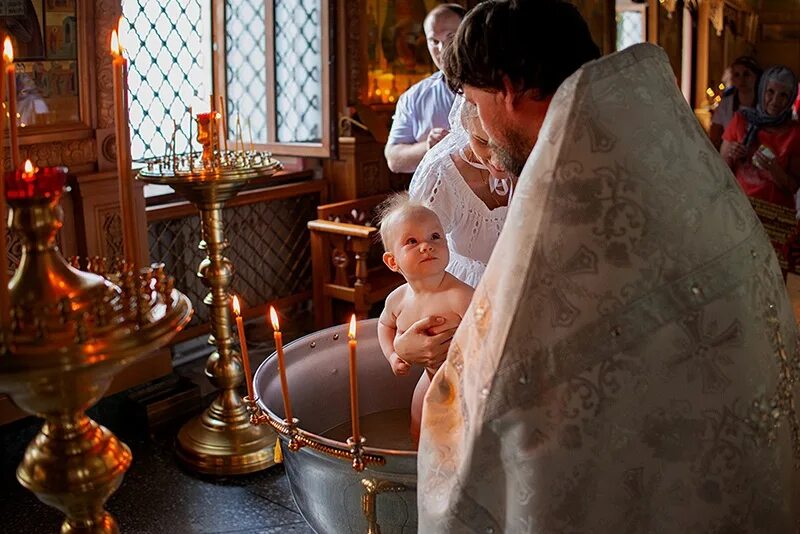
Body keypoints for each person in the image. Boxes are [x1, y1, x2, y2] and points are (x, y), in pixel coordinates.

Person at [417, 1, 800, 532]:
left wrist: (452, 376)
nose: (478, 125)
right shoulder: (648, 144)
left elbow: (510, 383)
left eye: (477, 104)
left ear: (506, 87)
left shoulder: (570, 186)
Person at [376, 193, 473, 441]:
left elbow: (490, 337)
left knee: (461, 437)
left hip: (465, 384)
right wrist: (392, 355)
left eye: (435, 237)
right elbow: (384, 324)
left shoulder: (460, 296)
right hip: (429, 377)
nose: (427, 245)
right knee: (418, 427)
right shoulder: (397, 299)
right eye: (411, 241)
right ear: (392, 261)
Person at [384, 4, 465, 173]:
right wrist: (428, 147)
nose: (442, 50)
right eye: (434, 41)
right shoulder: (413, 97)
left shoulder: (495, 87)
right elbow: (393, 159)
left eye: (450, 37)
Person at [721, 66, 800, 211]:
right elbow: (721, 174)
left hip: (777, 217)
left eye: (783, 95)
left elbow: (793, 187)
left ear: (791, 99)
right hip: (740, 210)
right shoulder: (741, 120)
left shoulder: (795, 132)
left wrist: (773, 169)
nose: (775, 101)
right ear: (762, 90)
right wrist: (733, 155)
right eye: (770, 92)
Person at [710, 56, 761, 150]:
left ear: (756, 77)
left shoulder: (764, 103)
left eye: (746, 74)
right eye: (737, 75)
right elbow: (715, 138)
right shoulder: (725, 103)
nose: (742, 80)